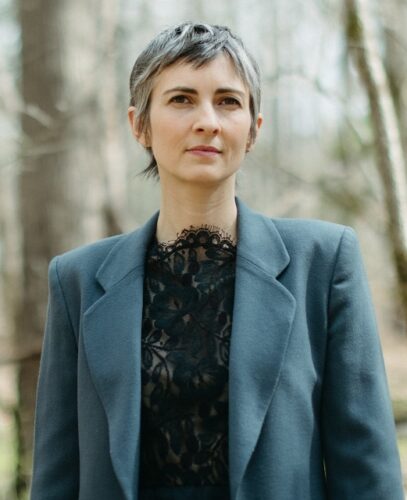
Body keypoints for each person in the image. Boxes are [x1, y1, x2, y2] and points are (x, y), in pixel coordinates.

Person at [30, 22, 404, 500]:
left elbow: (367, 467)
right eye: (181, 99)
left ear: (253, 129)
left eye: (228, 101)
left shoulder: (325, 263)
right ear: (138, 124)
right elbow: (57, 475)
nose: (207, 120)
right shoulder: (77, 279)